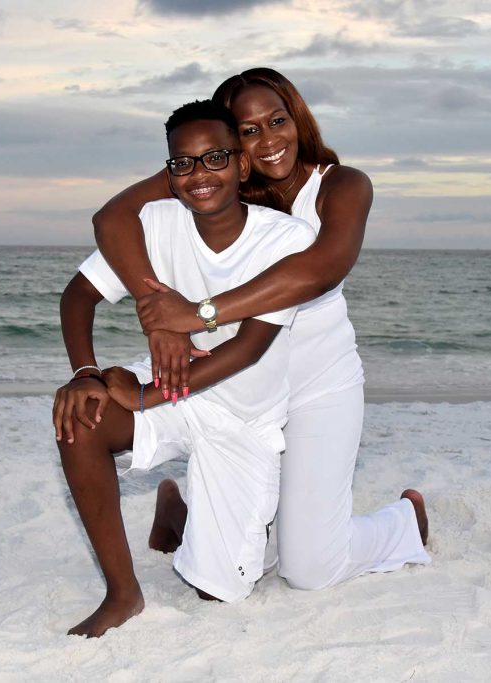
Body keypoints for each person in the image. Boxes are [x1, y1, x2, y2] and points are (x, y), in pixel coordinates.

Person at [92, 68, 430, 593]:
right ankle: (180, 517)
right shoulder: (223, 172)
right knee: (252, 554)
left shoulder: (342, 185)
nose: (269, 140)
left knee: (306, 567)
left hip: (319, 388)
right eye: (249, 130)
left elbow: (319, 269)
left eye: (278, 120)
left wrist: (198, 314)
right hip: (239, 384)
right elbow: (114, 217)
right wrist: (158, 314)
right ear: (236, 144)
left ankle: (404, 522)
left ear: (297, 118)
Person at [53, 99, 316, 637]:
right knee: (81, 416)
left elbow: (247, 350)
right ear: (169, 175)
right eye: (183, 163)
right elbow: (77, 297)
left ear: (242, 166)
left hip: (242, 416)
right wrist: (86, 373)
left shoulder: (286, 240)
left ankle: (177, 514)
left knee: (218, 589)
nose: (200, 175)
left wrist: (147, 395)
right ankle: (123, 595)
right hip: (174, 390)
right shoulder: (153, 224)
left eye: (216, 158)